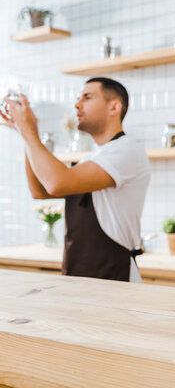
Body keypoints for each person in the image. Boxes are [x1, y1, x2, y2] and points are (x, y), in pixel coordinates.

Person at [1, 77, 150, 282]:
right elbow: (40, 191)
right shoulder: (93, 158)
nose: (76, 104)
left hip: (115, 279)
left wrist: (28, 131)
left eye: (87, 98)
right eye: (77, 98)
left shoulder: (126, 150)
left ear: (114, 106)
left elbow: (57, 183)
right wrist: (27, 132)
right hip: (79, 277)